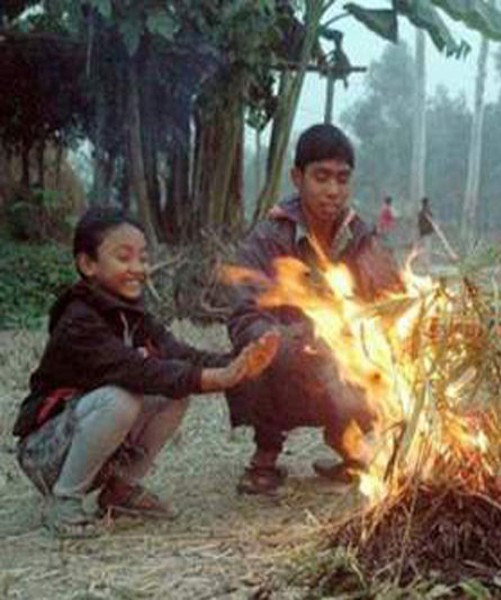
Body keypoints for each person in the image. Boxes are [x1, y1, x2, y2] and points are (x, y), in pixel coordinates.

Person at [11, 207, 280, 538]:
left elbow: (179, 353)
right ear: (88, 265)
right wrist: (217, 379)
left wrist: (238, 362)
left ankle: (120, 490)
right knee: (119, 400)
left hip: (88, 440)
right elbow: (139, 371)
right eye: (124, 258)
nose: (138, 268)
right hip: (44, 453)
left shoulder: (131, 314)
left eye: (143, 257)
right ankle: (65, 501)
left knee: (173, 394)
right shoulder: (78, 320)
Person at [227, 123, 403, 495]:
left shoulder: (363, 238)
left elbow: (394, 303)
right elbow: (244, 317)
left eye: (342, 178)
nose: (333, 190)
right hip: (288, 362)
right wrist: (293, 343)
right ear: (297, 177)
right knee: (254, 356)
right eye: (321, 177)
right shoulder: (269, 238)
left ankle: (350, 445)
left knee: (379, 361)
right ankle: (265, 456)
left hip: (344, 367)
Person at [416, 196, 436, 270]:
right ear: (427, 203)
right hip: (427, 233)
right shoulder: (427, 212)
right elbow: (430, 222)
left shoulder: (421, 213)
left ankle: (424, 263)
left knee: (424, 248)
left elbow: (419, 223)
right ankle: (426, 264)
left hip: (423, 233)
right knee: (427, 249)